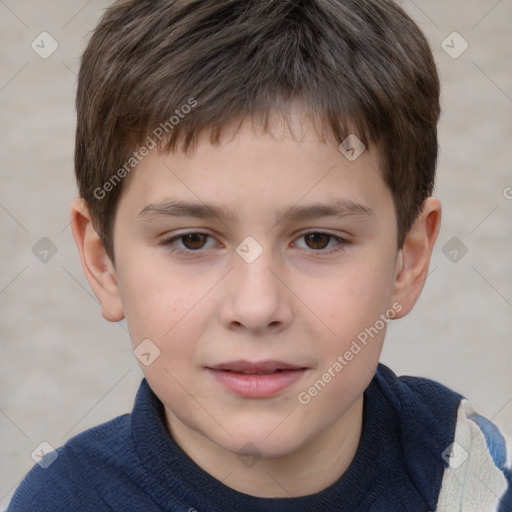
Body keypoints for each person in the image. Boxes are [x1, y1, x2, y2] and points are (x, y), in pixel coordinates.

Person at [7, 0, 511, 510]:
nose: (256, 307)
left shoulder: (465, 475)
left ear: (407, 259)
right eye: (192, 240)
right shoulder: (62, 501)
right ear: (104, 263)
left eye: (318, 239)